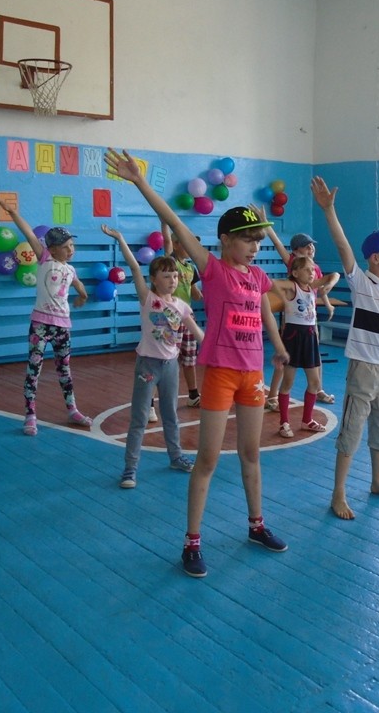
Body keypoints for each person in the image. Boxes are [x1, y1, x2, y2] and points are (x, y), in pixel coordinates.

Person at [104, 148, 290, 579]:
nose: (254, 247)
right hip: (221, 374)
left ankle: (256, 525)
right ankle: (192, 542)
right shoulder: (212, 268)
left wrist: (280, 343)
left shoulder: (257, 277)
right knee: (207, 458)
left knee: (250, 454)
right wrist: (140, 181)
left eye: (258, 240)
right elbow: (175, 221)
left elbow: (267, 305)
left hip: (253, 374)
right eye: (247, 239)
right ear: (225, 240)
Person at [310, 176, 379, 520]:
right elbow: (343, 248)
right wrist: (329, 211)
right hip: (363, 368)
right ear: (375, 258)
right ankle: (338, 492)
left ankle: (378, 480)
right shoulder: (362, 282)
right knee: (352, 429)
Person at [101, 225, 204, 487]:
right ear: (154, 279)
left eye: (175, 276)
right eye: (166, 276)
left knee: (171, 415)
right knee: (139, 419)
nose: (172, 280)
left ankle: (176, 457)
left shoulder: (182, 306)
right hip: (147, 366)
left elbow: (198, 333)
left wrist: (220, 349)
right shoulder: (148, 299)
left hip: (170, 367)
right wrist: (120, 238)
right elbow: (134, 268)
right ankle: (130, 468)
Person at [0, 193, 91, 436]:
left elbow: (78, 284)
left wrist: (83, 296)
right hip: (41, 325)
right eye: (65, 247)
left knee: (64, 370)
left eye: (72, 246)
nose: (70, 250)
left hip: (63, 327)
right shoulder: (45, 258)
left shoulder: (70, 269)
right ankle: (30, 415)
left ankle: (72, 409)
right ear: (52, 249)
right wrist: (13, 213)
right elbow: (28, 233)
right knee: (33, 370)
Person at [258, 217, 340, 410]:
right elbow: (278, 244)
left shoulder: (314, 268)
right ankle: (273, 395)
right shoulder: (294, 263)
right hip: (295, 320)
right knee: (287, 359)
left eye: (312, 245)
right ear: (296, 251)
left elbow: (319, 288)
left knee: (315, 357)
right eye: (306, 246)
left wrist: (327, 303)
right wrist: (267, 225)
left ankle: (318, 389)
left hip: (310, 318)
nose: (311, 247)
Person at [271, 254, 331, 438]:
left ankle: (307, 420)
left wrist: (329, 285)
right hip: (294, 336)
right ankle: (284, 422)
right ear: (295, 272)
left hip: (309, 336)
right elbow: (271, 283)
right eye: (306, 269)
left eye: (313, 269)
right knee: (288, 381)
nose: (311, 272)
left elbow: (334, 275)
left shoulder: (312, 287)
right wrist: (283, 298)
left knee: (315, 382)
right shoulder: (292, 287)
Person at [162, 221, 204, 408]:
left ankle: (193, 394)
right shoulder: (171, 263)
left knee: (189, 357)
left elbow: (194, 292)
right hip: (171, 316)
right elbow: (167, 241)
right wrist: (164, 223)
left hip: (187, 316)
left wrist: (201, 295)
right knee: (164, 358)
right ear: (177, 244)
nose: (190, 247)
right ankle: (152, 403)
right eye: (186, 243)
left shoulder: (190, 268)